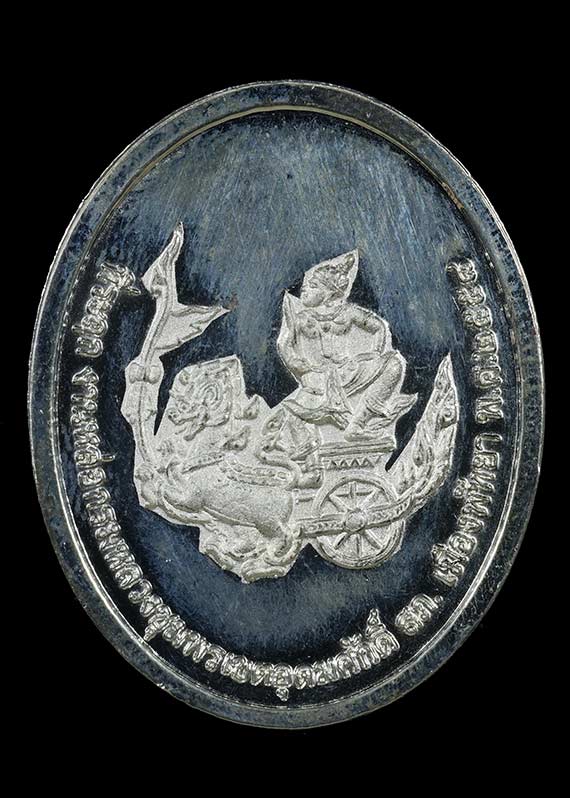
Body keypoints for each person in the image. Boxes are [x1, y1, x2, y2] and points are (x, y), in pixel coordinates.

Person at [277, 250, 415, 444]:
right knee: (294, 418)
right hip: (316, 378)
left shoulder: (347, 312)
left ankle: (357, 425)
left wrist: (373, 353)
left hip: (349, 371)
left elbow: (378, 327)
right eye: (306, 286)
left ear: (330, 292)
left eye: (313, 286)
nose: (304, 290)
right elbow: (284, 344)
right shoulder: (300, 318)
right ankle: (306, 452)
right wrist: (299, 366)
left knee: (393, 365)